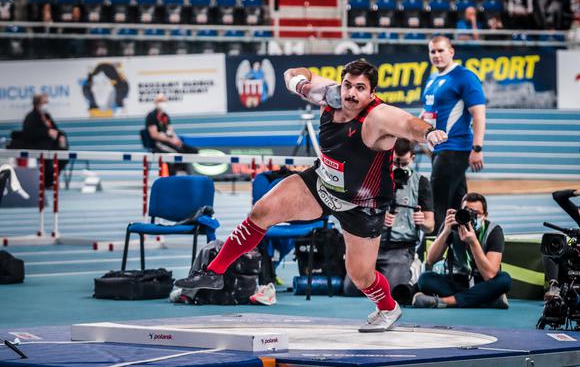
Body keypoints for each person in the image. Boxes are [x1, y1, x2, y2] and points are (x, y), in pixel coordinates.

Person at [176, 59, 448, 332]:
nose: (351, 94)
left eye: (360, 88)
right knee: (261, 212)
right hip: (321, 185)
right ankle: (215, 271)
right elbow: (292, 73)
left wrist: (429, 133)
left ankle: (388, 308)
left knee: (360, 275)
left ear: (372, 92)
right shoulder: (329, 95)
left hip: (362, 206)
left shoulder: (379, 117)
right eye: (348, 86)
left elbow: (408, 123)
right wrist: (302, 84)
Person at [343, 138, 435, 296]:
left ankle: (411, 270)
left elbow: (430, 225)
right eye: (395, 163)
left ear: (413, 158)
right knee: (351, 290)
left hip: (400, 248)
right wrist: (377, 217)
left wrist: (422, 221)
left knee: (392, 291)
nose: (399, 168)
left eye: (404, 164)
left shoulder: (421, 183)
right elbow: (355, 213)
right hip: (371, 245)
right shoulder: (374, 178)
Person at [422, 36, 486, 232]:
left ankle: (432, 249)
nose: (436, 55)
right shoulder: (432, 79)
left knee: (437, 205)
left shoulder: (464, 77)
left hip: (455, 149)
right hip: (439, 150)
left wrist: (477, 148)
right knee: (459, 204)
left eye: (441, 50)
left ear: (451, 51)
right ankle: (464, 244)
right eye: (433, 51)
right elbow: (427, 113)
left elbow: (479, 113)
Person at [412, 192, 511, 308]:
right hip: (458, 280)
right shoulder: (452, 225)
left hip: (483, 281)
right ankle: (489, 299)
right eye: (467, 211)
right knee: (425, 279)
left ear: (485, 215)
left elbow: (489, 275)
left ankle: (446, 301)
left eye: (476, 214)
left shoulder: (493, 231)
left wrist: (473, 242)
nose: (471, 216)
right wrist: (446, 231)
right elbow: (430, 259)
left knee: (504, 280)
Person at [21, 94, 68, 188]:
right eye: (44, 102)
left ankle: (52, 179)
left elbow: (56, 129)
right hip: (37, 146)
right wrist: (47, 132)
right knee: (47, 159)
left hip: (52, 146)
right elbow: (29, 133)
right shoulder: (31, 117)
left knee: (64, 157)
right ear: (37, 103)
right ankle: (47, 182)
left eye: (47, 102)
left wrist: (61, 136)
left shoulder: (47, 116)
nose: (46, 104)